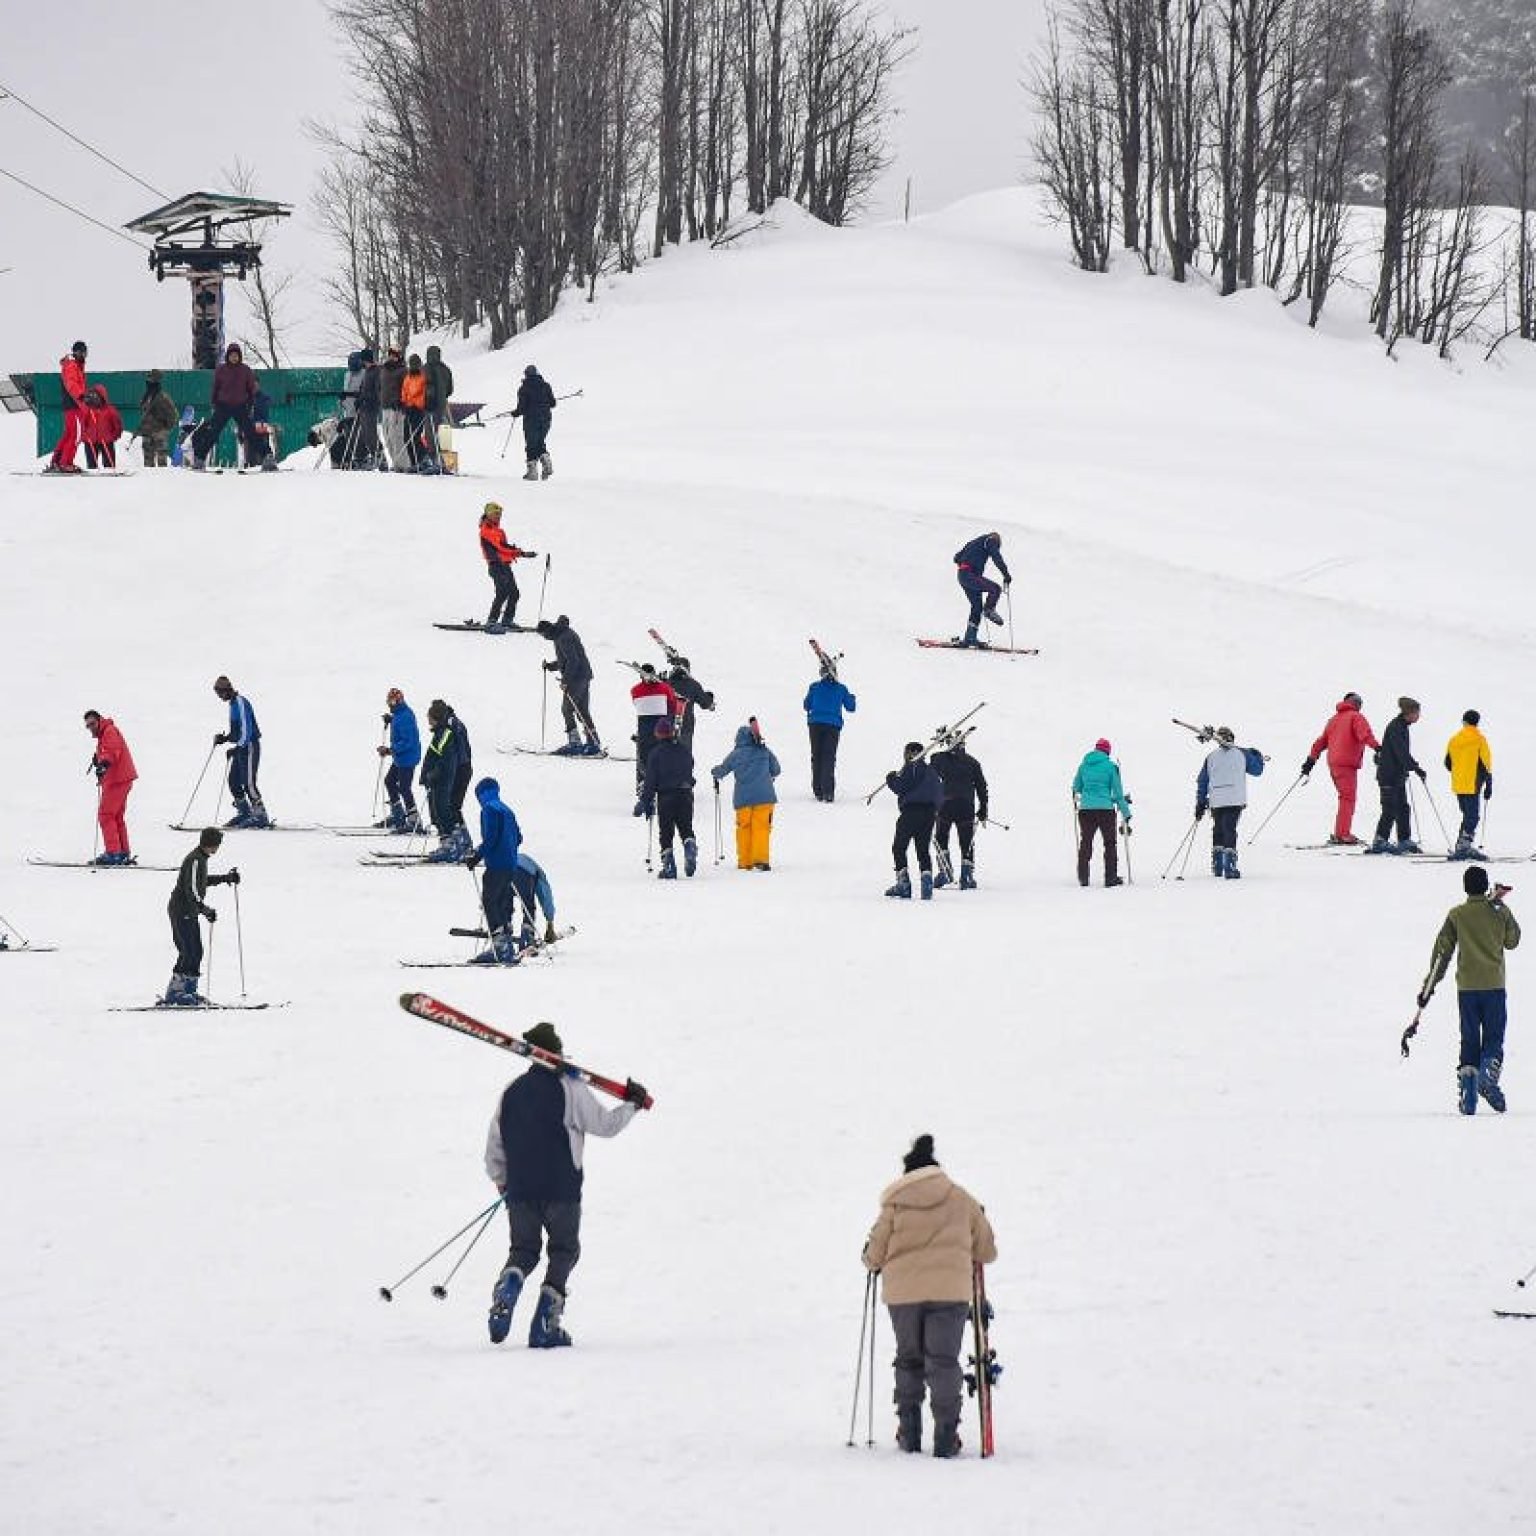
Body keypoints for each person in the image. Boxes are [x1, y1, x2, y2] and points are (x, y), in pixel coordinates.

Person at [483, 1019, 648, 1347]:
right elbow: (605, 1125)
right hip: (562, 1191)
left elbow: (495, 1144)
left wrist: (502, 1181)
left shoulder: (511, 1092)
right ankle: (544, 1325)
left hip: (520, 1192)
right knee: (564, 1250)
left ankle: (509, 1285)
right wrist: (631, 1104)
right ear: (556, 1054)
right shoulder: (571, 1089)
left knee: (524, 1250)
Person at [862, 1134, 997, 1459]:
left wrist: (869, 1256)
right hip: (950, 1293)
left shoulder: (894, 1204)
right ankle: (947, 1436)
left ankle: (909, 1434)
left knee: (909, 1359)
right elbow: (987, 1251)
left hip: (903, 1295)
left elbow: (873, 1256)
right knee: (944, 1362)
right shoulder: (962, 1199)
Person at [1419, 865, 1520, 1114]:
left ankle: (1468, 1091)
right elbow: (1513, 940)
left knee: (1469, 1038)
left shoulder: (1457, 915)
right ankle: (1488, 1072)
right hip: (1494, 987)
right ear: (1486, 886)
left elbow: (1442, 954)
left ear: (1465, 888)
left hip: (1467, 989)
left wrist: (1427, 989)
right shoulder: (1497, 912)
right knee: (1494, 1037)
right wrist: (1503, 910)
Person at [162, 827, 240, 1006]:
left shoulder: (200, 858)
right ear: (211, 844)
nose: (217, 848)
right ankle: (176, 993)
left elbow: (201, 881)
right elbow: (191, 889)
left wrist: (225, 878)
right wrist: (204, 909)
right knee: (189, 950)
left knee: (195, 950)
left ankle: (188, 990)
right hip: (182, 910)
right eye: (217, 844)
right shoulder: (195, 860)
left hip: (188, 911)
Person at [1302, 691, 1380, 846]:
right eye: (1358, 702)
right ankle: (1343, 834)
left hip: (1334, 764)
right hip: (1347, 764)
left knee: (1344, 797)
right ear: (1354, 703)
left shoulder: (1334, 720)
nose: (1359, 705)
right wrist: (1378, 748)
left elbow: (1320, 742)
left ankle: (1341, 832)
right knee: (1348, 798)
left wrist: (1310, 761)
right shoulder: (1356, 717)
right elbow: (1365, 735)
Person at [465, 777, 523, 964]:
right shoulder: (507, 809)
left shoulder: (489, 809)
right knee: (503, 900)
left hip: (497, 864)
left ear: (480, 794)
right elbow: (519, 837)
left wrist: (476, 856)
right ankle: (506, 941)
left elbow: (491, 838)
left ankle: (500, 946)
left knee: (490, 901)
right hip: (511, 864)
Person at [1195, 726, 1265, 879]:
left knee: (1218, 828)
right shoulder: (1242, 754)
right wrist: (1258, 756)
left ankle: (1218, 864)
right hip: (1234, 799)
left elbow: (1202, 780)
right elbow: (1257, 770)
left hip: (1216, 799)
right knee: (1229, 829)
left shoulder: (1211, 757)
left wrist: (1200, 802)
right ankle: (1230, 866)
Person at [712, 720, 781, 871]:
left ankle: (745, 861)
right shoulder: (764, 751)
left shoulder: (735, 755)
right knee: (761, 828)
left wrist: (714, 772)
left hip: (743, 800)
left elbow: (722, 770)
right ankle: (761, 859)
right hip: (765, 798)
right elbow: (776, 769)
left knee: (743, 828)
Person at [636, 716, 698, 878]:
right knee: (685, 827)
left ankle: (669, 867)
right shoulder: (683, 749)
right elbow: (690, 765)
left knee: (666, 832)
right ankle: (689, 844)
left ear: (658, 734)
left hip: (666, 797)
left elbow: (650, 781)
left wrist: (645, 801)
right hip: (685, 794)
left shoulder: (655, 753)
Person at [883, 742, 944, 900]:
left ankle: (903, 884)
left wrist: (890, 778)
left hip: (910, 812)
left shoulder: (912, 769)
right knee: (923, 850)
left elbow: (901, 787)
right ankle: (927, 883)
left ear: (910, 753)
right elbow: (939, 793)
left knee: (899, 847)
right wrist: (934, 810)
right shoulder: (931, 771)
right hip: (929, 814)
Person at [1368, 696, 1427, 855]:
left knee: (1403, 807)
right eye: (1416, 713)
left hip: (1398, 775)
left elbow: (1403, 753)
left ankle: (1404, 839)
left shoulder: (1402, 726)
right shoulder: (1395, 727)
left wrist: (1412, 767)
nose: (1418, 716)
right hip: (1388, 775)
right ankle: (1380, 840)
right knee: (1390, 808)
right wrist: (1415, 767)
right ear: (1409, 713)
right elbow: (1400, 752)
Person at [1072, 737, 1130, 888]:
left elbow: (1076, 787)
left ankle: (1083, 878)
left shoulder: (1083, 765)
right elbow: (1118, 794)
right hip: (1105, 810)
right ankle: (1110, 879)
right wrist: (1126, 812)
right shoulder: (1111, 767)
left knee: (1086, 842)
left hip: (1085, 810)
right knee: (1110, 844)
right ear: (1107, 751)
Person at [538, 616, 601, 755]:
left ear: (547, 631)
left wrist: (565, 681)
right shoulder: (563, 633)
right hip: (584, 675)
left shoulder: (563, 638)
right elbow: (567, 659)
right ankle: (593, 742)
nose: (544, 638)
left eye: (543, 635)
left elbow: (573, 660)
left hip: (576, 678)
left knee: (567, 709)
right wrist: (551, 666)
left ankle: (575, 743)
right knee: (582, 710)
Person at [932, 736, 989, 889]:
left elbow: (933, 761)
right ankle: (967, 875)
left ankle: (945, 871)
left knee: (941, 837)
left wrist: (941, 744)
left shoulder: (942, 759)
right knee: (966, 840)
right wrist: (983, 808)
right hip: (966, 805)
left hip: (946, 804)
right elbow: (982, 786)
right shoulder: (973, 762)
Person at [212, 676, 269, 829]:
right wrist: (225, 739)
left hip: (250, 746)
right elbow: (237, 732)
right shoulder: (232, 705)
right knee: (234, 781)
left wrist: (236, 748)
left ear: (226, 690)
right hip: (241, 747)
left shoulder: (240, 703)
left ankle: (260, 815)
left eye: (219, 693)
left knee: (248, 782)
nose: (219, 697)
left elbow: (247, 731)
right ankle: (245, 812)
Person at [422, 699, 474, 861]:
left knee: (447, 807)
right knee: (453, 807)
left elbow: (449, 756)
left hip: (458, 771)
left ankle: (453, 844)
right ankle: (462, 841)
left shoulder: (449, 728)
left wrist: (437, 773)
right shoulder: (451, 724)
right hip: (459, 769)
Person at [85, 709, 138, 865]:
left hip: (118, 780)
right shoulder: (105, 734)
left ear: (100, 720)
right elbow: (109, 751)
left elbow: (112, 752)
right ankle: (122, 852)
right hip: (122, 779)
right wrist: (99, 761)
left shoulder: (109, 731)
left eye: (92, 723)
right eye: (88, 726)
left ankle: (113, 853)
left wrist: (103, 764)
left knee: (106, 815)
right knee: (116, 816)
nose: (91, 728)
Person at [803, 657, 856, 803]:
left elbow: (806, 705)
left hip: (814, 724)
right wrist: (852, 697)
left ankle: (818, 790)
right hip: (832, 726)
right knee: (828, 757)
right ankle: (828, 792)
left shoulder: (814, 687)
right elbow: (851, 707)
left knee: (817, 756)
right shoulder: (841, 688)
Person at [1444, 708, 1493, 860]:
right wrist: (1488, 784)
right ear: (1477, 723)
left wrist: (1459, 771)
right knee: (1472, 817)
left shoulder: (1454, 739)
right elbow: (1486, 764)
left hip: (1458, 784)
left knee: (1467, 816)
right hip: (1473, 784)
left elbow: (1447, 762)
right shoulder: (1480, 739)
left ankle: (1461, 844)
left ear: (1464, 721)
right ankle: (1464, 846)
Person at [479, 504, 536, 632]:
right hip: (496, 565)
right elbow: (501, 548)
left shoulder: (499, 531)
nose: (498, 517)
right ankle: (491, 622)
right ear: (488, 514)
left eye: (499, 514)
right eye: (495, 514)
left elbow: (505, 547)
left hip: (505, 566)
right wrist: (521, 553)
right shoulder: (486, 530)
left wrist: (520, 553)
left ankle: (507, 620)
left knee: (514, 593)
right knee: (502, 593)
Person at [952, 532, 1011, 649]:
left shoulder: (972, 543)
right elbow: (996, 557)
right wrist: (1006, 575)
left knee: (977, 606)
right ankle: (989, 610)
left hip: (963, 575)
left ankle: (970, 638)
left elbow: (956, 557)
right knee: (995, 588)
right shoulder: (991, 540)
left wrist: (969, 561)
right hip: (970, 575)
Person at [376, 687, 422, 832]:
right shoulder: (399, 714)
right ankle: (398, 814)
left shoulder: (405, 716)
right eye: (388, 701)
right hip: (400, 758)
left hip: (407, 758)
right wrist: (391, 719)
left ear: (398, 701)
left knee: (404, 788)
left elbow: (408, 741)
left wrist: (390, 750)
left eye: (392, 701)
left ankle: (414, 820)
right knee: (390, 781)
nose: (389, 704)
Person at [631, 663, 681, 791]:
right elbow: (673, 705)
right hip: (662, 726)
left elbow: (637, 705)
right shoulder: (665, 688)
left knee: (643, 757)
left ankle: (643, 783)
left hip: (643, 727)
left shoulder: (635, 690)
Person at [48, 340, 90, 473]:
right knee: (76, 435)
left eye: (85, 352)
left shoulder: (75, 365)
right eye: (82, 352)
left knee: (69, 434)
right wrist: (80, 396)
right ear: (76, 352)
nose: (84, 355)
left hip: (74, 405)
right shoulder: (71, 365)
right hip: (73, 405)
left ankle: (57, 462)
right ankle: (66, 463)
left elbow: (77, 385)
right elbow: (71, 384)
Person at [511, 363, 556, 481]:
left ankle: (532, 473)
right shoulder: (546, 386)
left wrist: (515, 413)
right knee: (540, 442)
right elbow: (553, 403)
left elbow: (522, 408)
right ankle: (546, 461)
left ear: (526, 375)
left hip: (531, 420)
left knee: (531, 445)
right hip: (546, 419)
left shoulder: (523, 389)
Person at [511, 849, 559, 948]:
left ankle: (502, 933)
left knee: (503, 904)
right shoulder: (539, 873)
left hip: (499, 868)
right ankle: (527, 934)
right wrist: (550, 923)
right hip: (523, 872)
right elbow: (545, 897)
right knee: (528, 905)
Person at [665, 657, 715, 749]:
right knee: (684, 755)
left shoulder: (666, 684)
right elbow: (705, 703)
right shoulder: (692, 684)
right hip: (685, 726)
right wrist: (709, 697)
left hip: (665, 726)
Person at [400, 353, 436, 471]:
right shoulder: (408, 377)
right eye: (412, 365)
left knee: (415, 436)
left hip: (419, 409)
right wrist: (404, 403)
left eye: (416, 364)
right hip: (409, 409)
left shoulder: (423, 377)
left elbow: (425, 392)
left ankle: (423, 459)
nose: (413, 367)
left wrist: (425, 403)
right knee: (406, 437)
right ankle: (414, 461)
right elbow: (404, 391)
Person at [138, 370, 179, 467]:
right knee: (148, 463)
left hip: (159, 433)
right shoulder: (146, 397)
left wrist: (165, 429)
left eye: (151, 379)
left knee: (162, 463)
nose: (148, 381)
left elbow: (174, 415)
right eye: (148, 379)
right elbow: (144, 413)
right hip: (147, 432)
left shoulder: (163, 397)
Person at [379, 345, 408, 470]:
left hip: (396, 407)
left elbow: (406, 388)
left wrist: (401, 401)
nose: (392, 357)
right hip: (385, 406)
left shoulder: (403, 370)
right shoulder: (384, 369)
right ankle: (395, 462)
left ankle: (403, 464)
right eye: (391, 354)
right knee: (386, 436)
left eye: (395, 354)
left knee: (396, 436)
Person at [86, 385, 123, 468]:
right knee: (91, 465)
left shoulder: (110, 410)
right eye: (92, 395)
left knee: (109, 464)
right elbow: (82, 424)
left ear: (102, 397)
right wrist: (85, 437)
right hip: (90, 441)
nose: (93, 398)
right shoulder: (87, 410)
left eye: (96, 396)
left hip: (107, 441)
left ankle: (109, 476)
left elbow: (117, 424)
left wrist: (114, 436)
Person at [425, 344, 454, 434]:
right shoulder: (446, 369)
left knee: (430, 434)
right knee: (443, 433)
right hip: (442, 406)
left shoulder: (424, 369)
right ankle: (444, 447)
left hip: (428, 407)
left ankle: (433, 447)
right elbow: (450, 390)